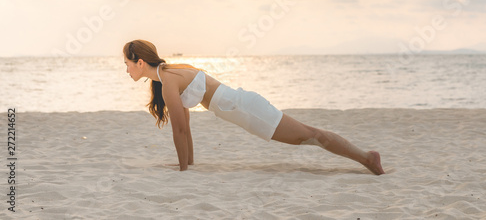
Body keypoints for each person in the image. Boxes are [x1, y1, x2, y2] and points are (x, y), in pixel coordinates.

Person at [123, 40, 385, 175]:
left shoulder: (169, 80)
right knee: (308, 137)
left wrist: (182, 171)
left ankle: (367, 158)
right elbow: (186, 130)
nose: (126, 70)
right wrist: (187, 165)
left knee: (310, 135)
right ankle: (366, 157)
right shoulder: (169, 75)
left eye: (127, 63)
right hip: (244, 109)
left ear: (140, 62)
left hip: (248, 110)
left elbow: (179, 131)